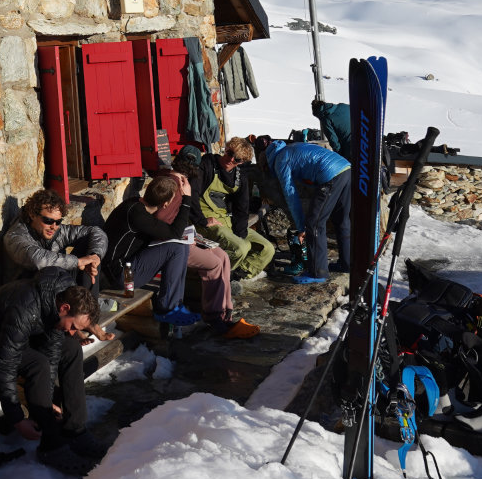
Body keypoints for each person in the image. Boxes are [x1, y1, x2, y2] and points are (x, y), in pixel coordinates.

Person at [0, 267, 105, 471]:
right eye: (74, 326)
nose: (74, 331)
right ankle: (51, 448)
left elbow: (52, 355)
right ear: (65, 308)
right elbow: (5, 363)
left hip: (19, 338)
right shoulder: (25, 307)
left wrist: (46, 402)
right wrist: (16, 419)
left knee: (72, 348)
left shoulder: (56, 302)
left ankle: (74, 431)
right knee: (37, 364)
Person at [111, 177, 259, 339]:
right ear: (166, 204)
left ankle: (186, 308)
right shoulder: (139, 215)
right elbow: (171, 233)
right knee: (177, 248)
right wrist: (187, 200)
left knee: (180, 246)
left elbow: (166, 231)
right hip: (122, 276)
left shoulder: (136, 206)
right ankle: (168, 308)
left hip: (128, 264)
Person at [258, 130, 351, 283]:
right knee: (341, 220)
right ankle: (346, 263)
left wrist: (301, 227)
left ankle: (317, 272)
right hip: (346, 169)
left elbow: (291, 195)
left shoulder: (280, 160)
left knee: (314, 224)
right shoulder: (290, 148)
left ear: (267, 164)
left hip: (330, 175)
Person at [196, 139, 276, 284]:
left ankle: (238, 276)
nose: (231, 159)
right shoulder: (206, 165)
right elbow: (191, 196)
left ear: (242, 162)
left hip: (227, 220)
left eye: (236, 159)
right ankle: (218, 280)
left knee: (267, 248)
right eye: (229, 153)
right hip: (204, 219)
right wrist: (201, 220)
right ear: (226, 149)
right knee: (240, 247)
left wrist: (240, 234)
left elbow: (241, 208)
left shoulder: (240, 178)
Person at [0, 188, 107, 285]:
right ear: (32, 214)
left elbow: (96, 231)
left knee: (91, 258)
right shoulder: (15, 236)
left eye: (58, 221)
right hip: (26, 296)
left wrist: (95, 255)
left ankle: (89, 302)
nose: (54, 227)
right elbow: (38, 260)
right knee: (52, 272)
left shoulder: (57, 230)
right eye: (48, 221)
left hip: (54, 286)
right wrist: (78, 262)